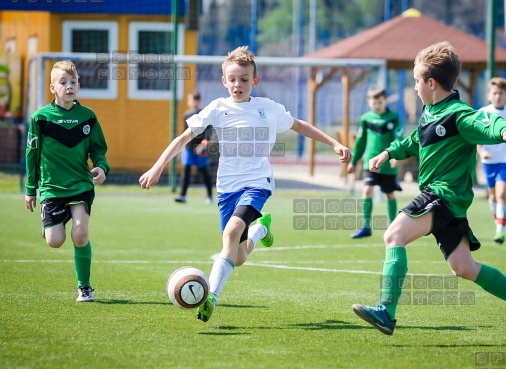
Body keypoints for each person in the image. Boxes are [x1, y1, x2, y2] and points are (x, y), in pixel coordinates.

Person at [351, 41, 506, 342]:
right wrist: (387, 153)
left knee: (394, 235)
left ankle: (386, 312)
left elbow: (486, 121)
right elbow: (414, 140)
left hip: (442, 194)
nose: (415, 87)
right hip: (447, 202)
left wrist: (505, 131)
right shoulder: (430, 112)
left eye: (417, 81)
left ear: (431, 83)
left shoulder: (457, 114)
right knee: (464, 267)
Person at [139, 46, 351, 322]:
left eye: (244, 79)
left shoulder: (268, 108)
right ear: (223, 81)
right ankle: (261, 230)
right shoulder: (217, 107)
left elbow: (299, 125)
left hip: (257, 183)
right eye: (233, 79)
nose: (238, 85)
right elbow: (182, 139)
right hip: (227, 188)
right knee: (237, 255)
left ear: (255, 81)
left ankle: (211, 298)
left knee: (230, 234)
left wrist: (334, 143)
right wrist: (158, 166)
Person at [24, 60, 109, 303]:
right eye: (63, 82)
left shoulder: (88, 117)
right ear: (53, 88)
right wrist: (31, 189)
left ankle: (84, 287)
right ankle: (50, 224)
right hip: (51, 187)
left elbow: (98, 149)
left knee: (80, 234)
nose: (68, 86)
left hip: (80, 184)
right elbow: (32, 154)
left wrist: (101, 167)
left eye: (73, 82)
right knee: (55, 241)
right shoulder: (40, 118)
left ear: (79, 86)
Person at [347, 86, 403, 239]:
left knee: (389, 194)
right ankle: (365, 226)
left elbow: (398, 138)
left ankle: (393, 227)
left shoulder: (393, 117)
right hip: (370, 163)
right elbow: (360, 141)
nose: (377, 105)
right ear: (369, 102)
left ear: (385, 100)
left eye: (380, 102)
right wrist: (354, 160)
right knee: (367, 190)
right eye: (374, 103)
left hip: (387, 163)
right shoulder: (366, 119)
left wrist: (395, 156)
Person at [476, 77, 506, 244]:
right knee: (493, 196)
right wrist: (481, 153)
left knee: (502, 194)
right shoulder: (483, 112)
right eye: (494, 93)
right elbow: (477, 137)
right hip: (489, 161)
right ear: (489, 95)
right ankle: (498, 218)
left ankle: (500, 230)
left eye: (501, 93)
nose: (498, 96)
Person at [175, 90, 214, 204]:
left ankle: (209, 196)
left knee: (203, 172)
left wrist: (205, 142)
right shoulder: (187, 115)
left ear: (199, 101)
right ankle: (182, 196)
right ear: (189, 102)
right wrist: (181, 148)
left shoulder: (203, 113)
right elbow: (184, 132)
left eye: (196, 100)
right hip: (188, 147)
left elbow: (208, 129)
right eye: (192, 100)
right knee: (186, 171)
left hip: (200, 148)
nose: (194, 102)